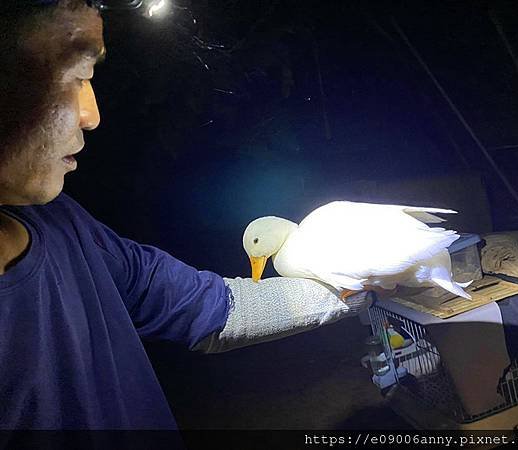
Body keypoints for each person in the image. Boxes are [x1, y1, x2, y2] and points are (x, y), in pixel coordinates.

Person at [0, 0, 371, 429]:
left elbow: (214, 308)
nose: (92, 116)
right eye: (77, 76)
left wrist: (366, 283)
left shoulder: (63, 224)